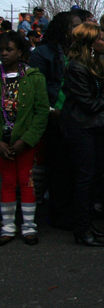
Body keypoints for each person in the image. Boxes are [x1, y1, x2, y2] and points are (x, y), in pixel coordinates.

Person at [61, 23, 104, 247]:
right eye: (103, 39)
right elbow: (89, 103)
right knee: (84, 178)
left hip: (96, 126)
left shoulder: (98, 62)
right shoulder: (77, 67)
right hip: (81, 127)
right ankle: (82, 228)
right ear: (91, 44)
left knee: (95, 176)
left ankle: (88, 223)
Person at [29, 11, 80, 230]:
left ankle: (75, 212)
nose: (79, 29)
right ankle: (58, 215)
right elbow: (37, 88)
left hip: (78, 116)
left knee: (76, 169)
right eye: (75, 25)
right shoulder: (43, 53)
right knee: (59, 169)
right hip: (55, 117)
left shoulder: (80, 51)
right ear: (63, 28)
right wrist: (52, 111)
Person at [0, 32, 49, 246]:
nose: (4, 53)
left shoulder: (34, 77)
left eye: (9, 49)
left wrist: (27, 139)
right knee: (7, 182)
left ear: (20, 52)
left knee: (26, 182)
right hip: (3, 143)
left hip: (25, 142)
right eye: (1, 50)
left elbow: (41, 112)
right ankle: (8, 227)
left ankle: (29, 227)